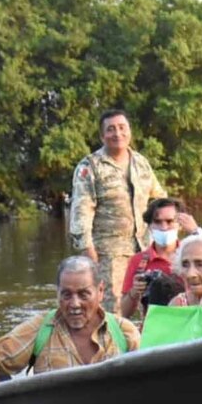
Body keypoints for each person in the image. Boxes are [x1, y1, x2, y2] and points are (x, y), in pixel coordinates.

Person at [0, 256, 141, 386]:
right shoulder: (42, 328)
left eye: (84, 294)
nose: (74, 304)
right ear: (57, 293)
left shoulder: (124, 332)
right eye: (66, 295)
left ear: (100, 291)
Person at [70, 109, 168, 314]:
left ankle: (145, 344)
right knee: (112, 311)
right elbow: (81, 212)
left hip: (143, 249)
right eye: (111, 129)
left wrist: (167, 234)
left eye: (122, 128)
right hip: (107, 254)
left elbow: (159, 199)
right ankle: (111, 346)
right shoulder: (90, 167)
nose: (117, 134)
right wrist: (88, 253)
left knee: (150, 305)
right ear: (102, 135)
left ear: (129, 131)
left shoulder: (141, 163)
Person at [119, 198, 200, 320]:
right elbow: (124, 313)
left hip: (190, 323)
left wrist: (196, 232)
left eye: (169, 221)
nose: (163, 227)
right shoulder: (138, 261)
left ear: (180, 225)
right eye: (157, 222)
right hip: (154, 327)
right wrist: (134, 292)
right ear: (150, 226)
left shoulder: (194, 254)